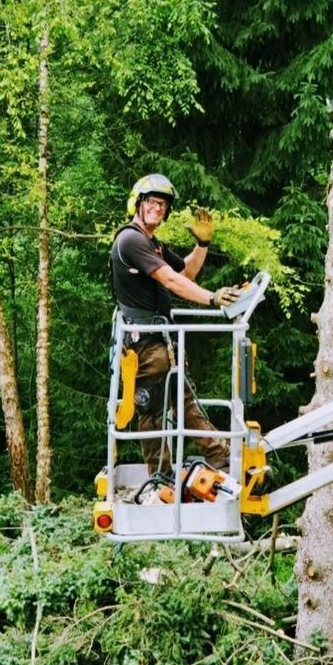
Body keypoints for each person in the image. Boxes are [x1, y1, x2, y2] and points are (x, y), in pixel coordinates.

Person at [110, 173, 241, 477]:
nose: (158, 208)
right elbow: (169, 280)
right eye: (152, 202)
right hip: (144, 346)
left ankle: (221, 457)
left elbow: (185, 274)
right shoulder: (130, 239)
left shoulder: (152, 244)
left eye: (163, 205)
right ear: (138, 203)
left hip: (161, 342)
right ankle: (160, 478)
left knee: (185, 404)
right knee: (153, 413)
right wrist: (212, 299)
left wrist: (202, 244)